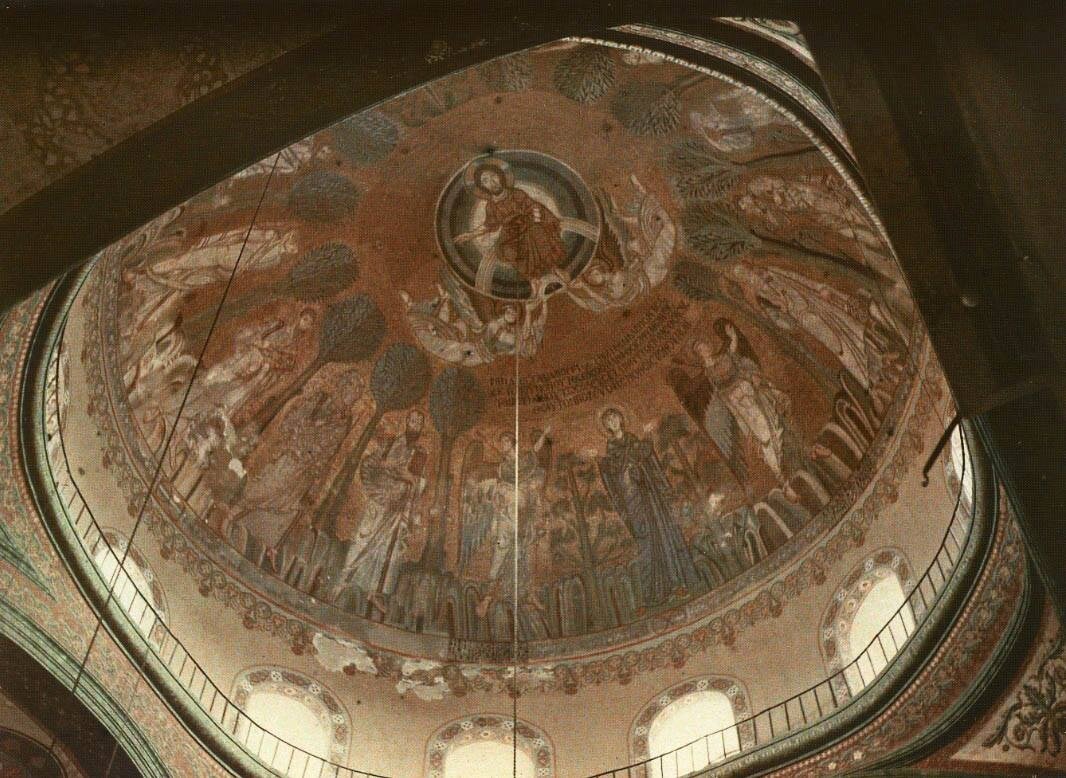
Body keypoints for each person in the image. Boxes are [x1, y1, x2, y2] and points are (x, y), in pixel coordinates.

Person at [598, 407, 702, 607]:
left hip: (651, 496)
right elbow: (615, 472)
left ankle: (678, 583)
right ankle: (654, 594)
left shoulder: (634, 441)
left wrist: (646, 440)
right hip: (634, 501)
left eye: (614, 417)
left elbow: (646, 457)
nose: (613, 422)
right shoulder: (612, 451)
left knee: (665, 534)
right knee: (646, 541)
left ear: (621, 418)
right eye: (608, 421)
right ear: (606, 427)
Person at [333, 410, 428, 614]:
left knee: (387, 548)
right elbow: (371, 463)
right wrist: (392, 471)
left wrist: (413, 482)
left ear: (422, 427)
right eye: (413, 420)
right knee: (363, 538)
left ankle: (374, 591)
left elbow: (417, 480)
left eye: (419, 422)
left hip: (398, 505)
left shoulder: (420, 453)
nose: (415, 424)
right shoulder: (391, 443)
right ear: (407, 422)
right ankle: (342, 580)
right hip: (380, 499)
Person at [454, 159, 568, 283]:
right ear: (482, 186)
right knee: (507, 250)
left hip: (529, 224)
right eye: (485, 180)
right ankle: (533, 279)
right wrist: (470, 235)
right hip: (511, 235)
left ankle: (553, 268)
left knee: (535, 235)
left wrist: (535, 221)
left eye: (493, 176)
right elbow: (489, 225)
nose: (492, 182)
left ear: (500, 176)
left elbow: (533, 207)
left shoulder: (517, 194)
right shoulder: (491, 206)